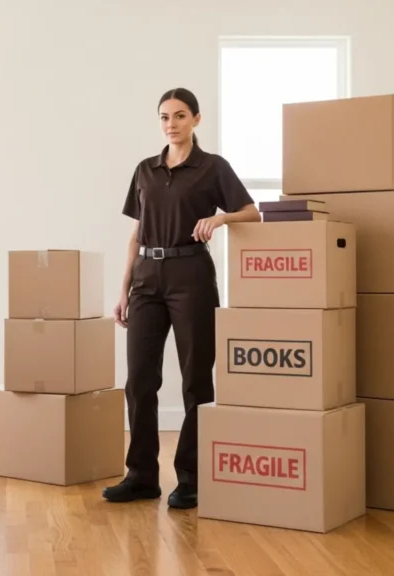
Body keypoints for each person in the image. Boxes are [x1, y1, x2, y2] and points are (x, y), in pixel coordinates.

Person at [102, 88, 260, 509]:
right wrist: (123, 289)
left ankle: (190, 477)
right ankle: (141, 476)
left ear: (196, 119)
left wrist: (220, 217)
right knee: (139, 381)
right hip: (147, 278)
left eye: (180, 115)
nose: (171, 124)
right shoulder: (145, 170)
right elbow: (137, 232)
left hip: (191, 274)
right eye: (164, 117)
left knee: (196, 380)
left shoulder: (212, 167)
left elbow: (252, 212)